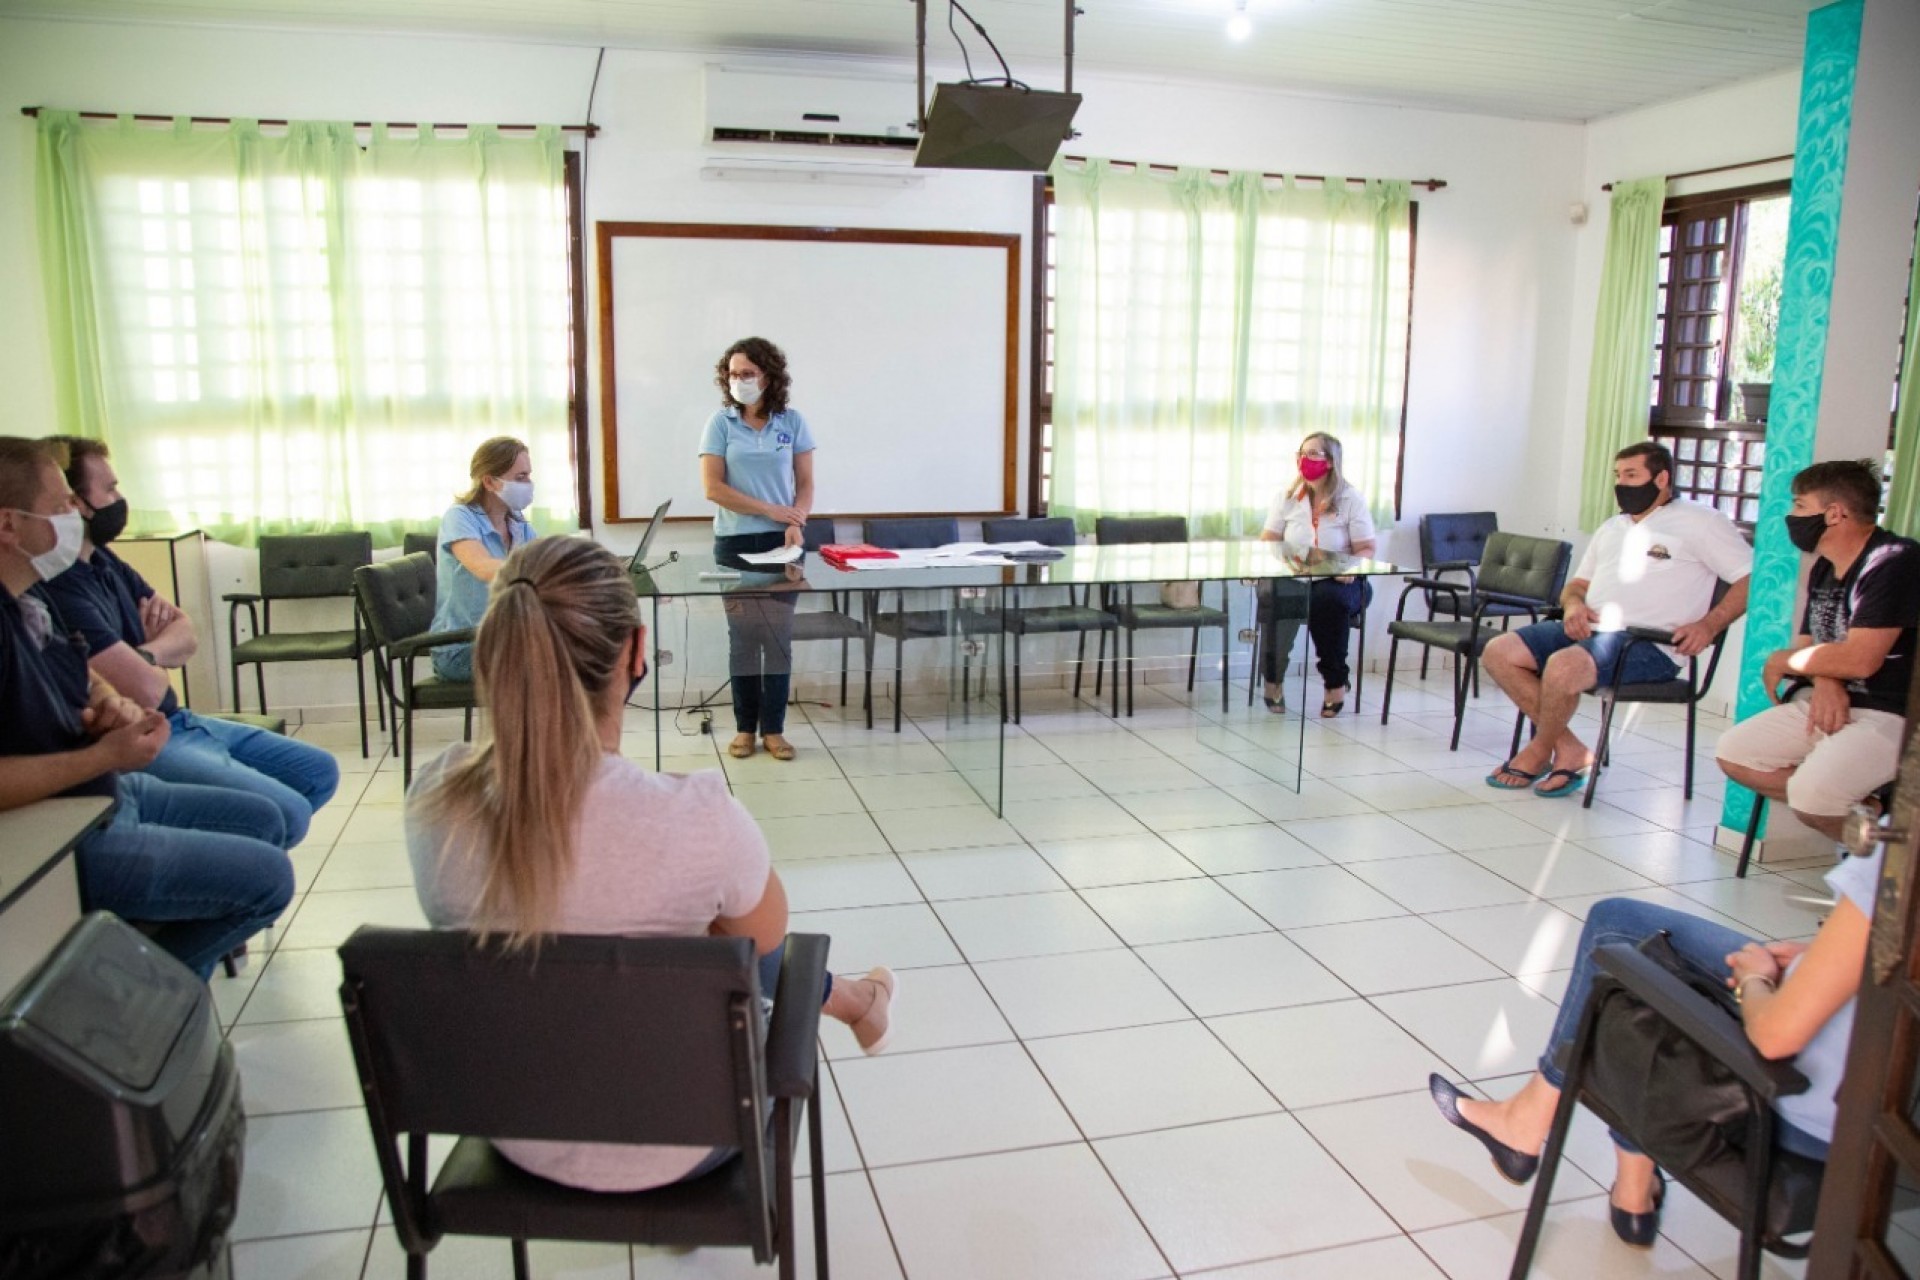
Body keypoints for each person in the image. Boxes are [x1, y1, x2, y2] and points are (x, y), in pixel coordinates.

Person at [405, 535, 894, 1193]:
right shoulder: (697, 817)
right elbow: (771, 945)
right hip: (685, 1141)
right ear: (637, 653)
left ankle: (860, 1000)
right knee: (738, 932)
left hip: (518, 1131)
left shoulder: (434, 796)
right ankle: (860, 1000)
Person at [1430, 846, 1876, 1247]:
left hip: (1805, 1105)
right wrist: (1825, 957)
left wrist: (1755, 980)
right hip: (1885, 1120)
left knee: (1622, 933)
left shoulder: (1901, 859)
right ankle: (1630, 1191)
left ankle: (1534, 1127)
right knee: (1654, 965)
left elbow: (1777, 1036)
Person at [0, 437, 292, 981]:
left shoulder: (30, 597)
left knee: (267, 819)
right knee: (269, 878)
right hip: (70, 834)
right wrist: (102, 755)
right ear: (9, 527)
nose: (77, 515)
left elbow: (84, 669)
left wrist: (112, 705)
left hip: (114, 790)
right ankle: (138, 1002)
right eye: (61, 505)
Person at [40, 436, 339, 847]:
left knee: (318, 772)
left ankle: (240, 860)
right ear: (74, 503)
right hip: (148, 735)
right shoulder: (59, 586)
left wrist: (145, 655)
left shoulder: (104, 561)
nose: (119, 498)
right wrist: (154, 663)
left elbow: (185, 630)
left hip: (178, 717)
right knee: (284, 813)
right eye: (108, 489)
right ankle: (241, 871)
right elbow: (147, 686)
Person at [1481, 441, 1752, 798]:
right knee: (1498, 651)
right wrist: (1575, 606)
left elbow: (1750, 577)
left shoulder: (1702, 522)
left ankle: (1537, 751)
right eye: (1618, 475)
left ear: (1662, 478)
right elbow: (1576, 586)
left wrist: (1709, 625)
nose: (1622, 484)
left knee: (1562, 667)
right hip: (1589, 630)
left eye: (1632, 475)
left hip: (1649, 644)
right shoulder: (1612, 527)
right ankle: (1569, 748)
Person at [1716, 460, 1917, 842]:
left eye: (1800, 506)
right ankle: (1875, 817)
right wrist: (1826, 680)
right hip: (1833, 700)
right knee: (1736, 752)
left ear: (1835, 513)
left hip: (1892, 711)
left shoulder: (1895, 561)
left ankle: (1886, 873)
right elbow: (1812, 647)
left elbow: (1860, 659)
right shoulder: (1825, 568)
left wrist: (1782, 661)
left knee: (1813, 798)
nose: (1791, 517)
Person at [698, 337, 815, 761]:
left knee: (777, 640)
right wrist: (773, 510)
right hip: (733, 544)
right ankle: (745, 729)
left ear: (768, 375)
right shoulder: (721, 423)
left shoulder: (793, 421)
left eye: (747, 373)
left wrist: (795, 522)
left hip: (784, 544)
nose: (739, 381)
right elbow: (713, 488)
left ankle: (775, 730)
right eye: (732, 374)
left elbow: (805, 485)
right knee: (743, 640)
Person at [1257, 432, 1377, 717]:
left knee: (1327, 601)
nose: (1305, 459)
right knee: (1276, 597)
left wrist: (1350, 569)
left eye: (1313, 453)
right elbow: (1268, 540)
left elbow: (1367, 548)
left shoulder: (1350, 498)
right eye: (1302, 453)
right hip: (1294, 578)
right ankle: (1273, 681)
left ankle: (1335, 683)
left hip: (1339, 581)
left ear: (1331, 461)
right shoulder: (1286, 498)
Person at [431, 436, 537, 682]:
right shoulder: (459, 517)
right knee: (553, 662)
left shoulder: (518, 522)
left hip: (501, 640)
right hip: (460, 649)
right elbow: (483, 567)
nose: (529, 484)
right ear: (489, 481)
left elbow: (545, 560)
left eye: (528, 476)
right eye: (520, 478)